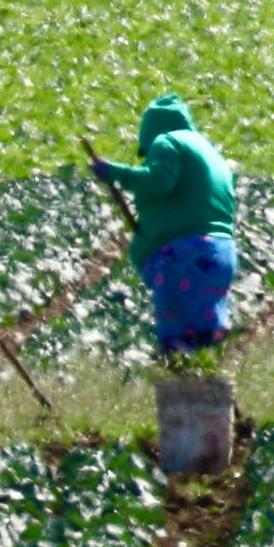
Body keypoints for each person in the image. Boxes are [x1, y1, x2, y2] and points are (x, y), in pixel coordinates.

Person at [92, 94, 238, 359]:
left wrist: (116, 173)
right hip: (221, 253)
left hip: (185, 256)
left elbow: (159, 181)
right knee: (202, 336)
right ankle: (209, 376)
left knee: (177, 340)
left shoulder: (166, 141)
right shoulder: (207, 149)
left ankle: (183, 378)